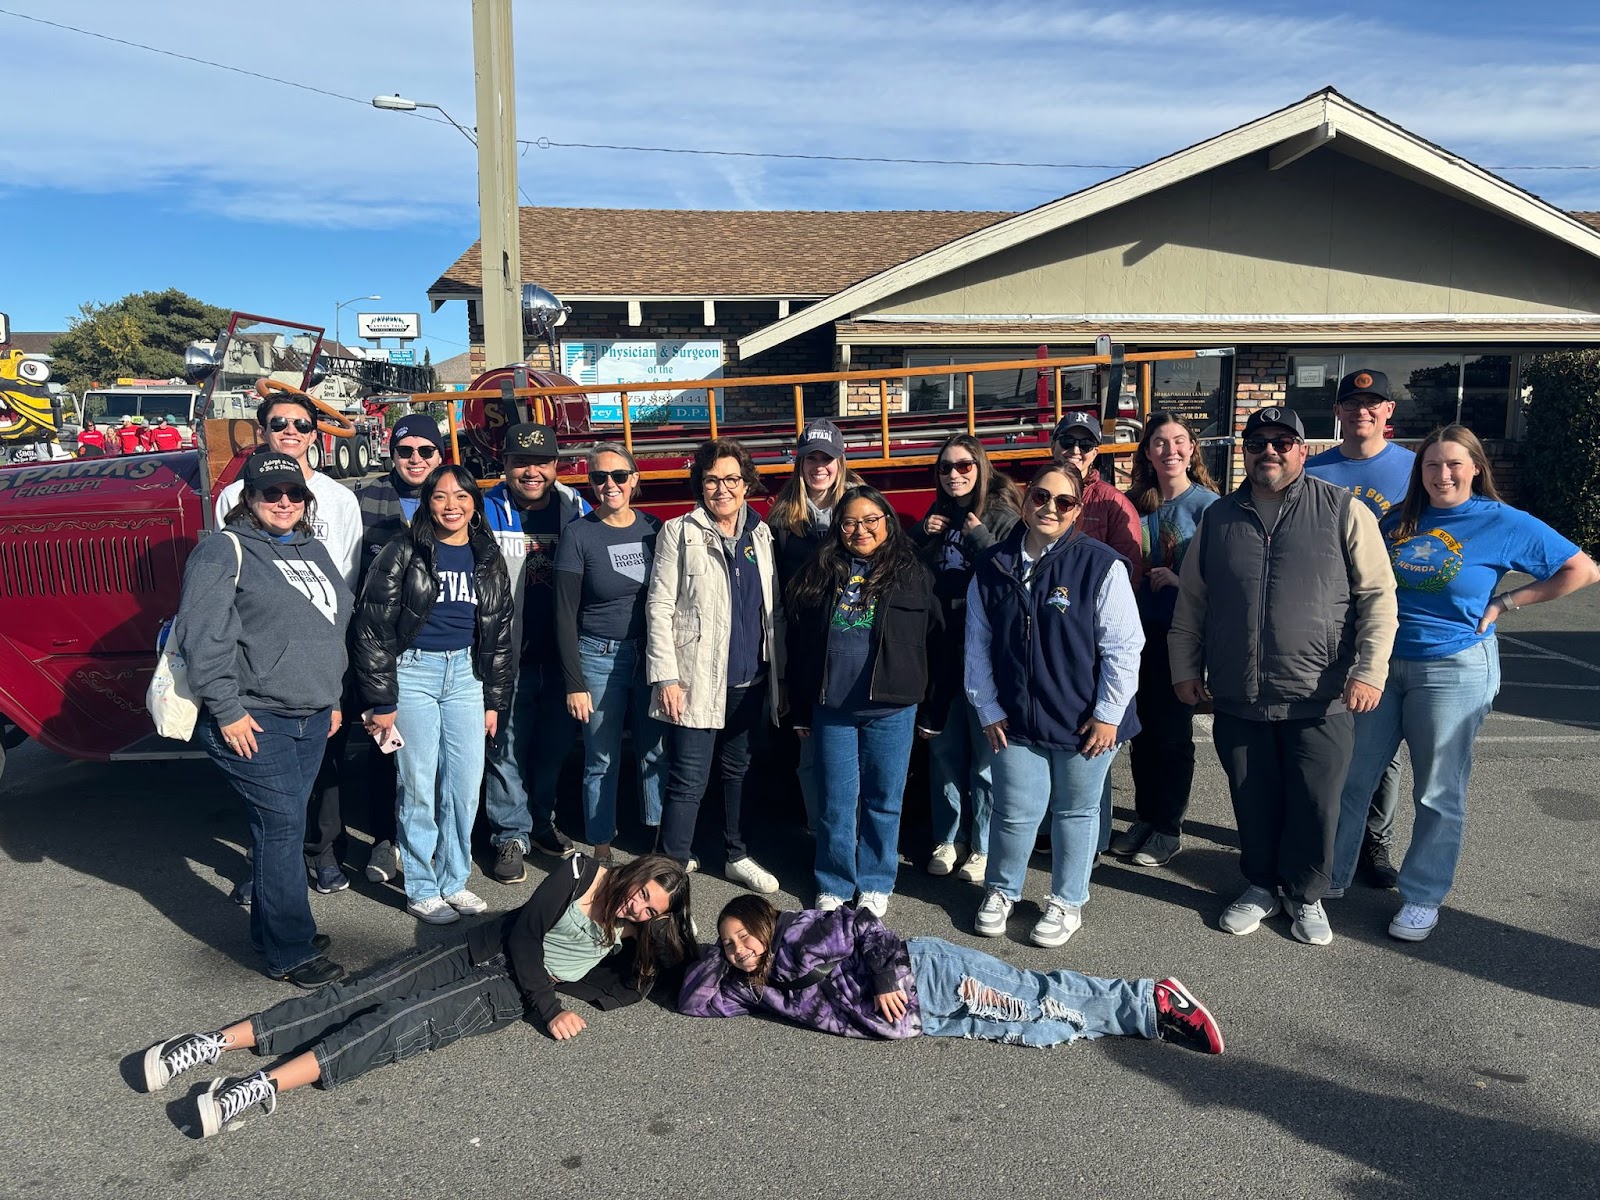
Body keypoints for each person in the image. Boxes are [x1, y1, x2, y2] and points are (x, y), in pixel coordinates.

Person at [138, 854, 694, 1138]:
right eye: (642, 894)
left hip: (505, 990)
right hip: (485, 947)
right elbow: (525, 934)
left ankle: (255, 1087)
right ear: (636, 873)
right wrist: (551, 1010)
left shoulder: (642, 931)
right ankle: (208, 1044)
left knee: (396, 1023)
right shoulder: (581, 872)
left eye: (652, 910)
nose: (639, 909)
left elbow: (684, 963)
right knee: (361, 990)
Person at [1329, 426, 1598, 941]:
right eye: (1432, 465)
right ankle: (1333, 876)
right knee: (1352, 778)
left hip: (1452, 668)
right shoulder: (1397, 520)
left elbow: (1581, 570)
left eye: (1454, 463)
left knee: (1437, 790)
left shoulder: (1502, 521)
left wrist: (1507, 603)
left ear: (1476, 467)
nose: (1442, 474)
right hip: (1382, 667)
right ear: (1420, 472)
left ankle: (1422, 897)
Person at [1169, 406, 1396, 947]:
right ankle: (1260, 886)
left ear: (1302, 449)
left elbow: (1377, 597)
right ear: (1244, 451)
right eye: (1257, 442)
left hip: (1320, 694)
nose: (1268, 450)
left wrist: (1369, 671)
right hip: (1239, 694)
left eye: (1282, 441)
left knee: (1315, 802)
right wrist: (1184, 668)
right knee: (1252, 796)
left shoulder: (1343, 511)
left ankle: (1306, 894)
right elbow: (1192, 604)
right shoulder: (1219, 518)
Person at [172, 452, 354, 988]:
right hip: (254, 716)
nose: (282, 502)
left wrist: (333, 697)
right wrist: (227, 711)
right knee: (281, 827)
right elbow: (201, 636)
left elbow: (328, 631)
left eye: (293, 494)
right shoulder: (222, 551)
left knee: (282, 825)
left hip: (312, 715)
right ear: (248, 497)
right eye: (270, 492)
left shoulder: (313, 548)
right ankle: (291, 949)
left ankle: (270, 929)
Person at [680, 895, 1224, 1055]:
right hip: (926, 1019)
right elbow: (691, 1001)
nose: (740, 949)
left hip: (927, 976)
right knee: (1038, 1029)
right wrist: (710, 951)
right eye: (729, 945)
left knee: (1035, 997)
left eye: (745, 935)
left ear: (765, 923)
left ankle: (1150, 1000)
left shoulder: (800, 933)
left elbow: (868, 926)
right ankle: (1144, 1022)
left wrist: (889, 980)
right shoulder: (751, 988)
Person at [967, 463, 1143, 948]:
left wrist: (1108, 714)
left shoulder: (1100, 564)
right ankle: (1002, 891)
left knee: (1076, 812)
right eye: (1040, 497)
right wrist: (987, 707)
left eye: (1063, 502)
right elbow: (977, 643)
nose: (1049, 508)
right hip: (1016, 718)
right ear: (1025, 501)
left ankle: (1068, 901)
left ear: (1077, 511)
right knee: (1014, 811)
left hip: (1086, 721)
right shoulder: (994, 563)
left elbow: (1125, 648)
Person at [217, 387, 363, 896]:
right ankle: (268, 866)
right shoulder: (234, 497)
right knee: (266, 776)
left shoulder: (341, 500)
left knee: (323, 762)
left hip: (319, 655)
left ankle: (321, 851)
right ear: (262, 431)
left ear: (315, 435)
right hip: (261, 663)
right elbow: (229, 583)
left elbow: (346, 575)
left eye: (302, 426)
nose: (290, 433)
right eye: (280, 424)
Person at [354, 465, 515, 924]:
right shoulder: (403, 550)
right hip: (416, 674)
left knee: (464, 787)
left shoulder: (487, 554)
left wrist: (493, 701)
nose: (451, 505)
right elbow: (373, 628)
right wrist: (382, 702)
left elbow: (500, 631)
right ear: (427, 502)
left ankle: (454, 881)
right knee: (419, 786)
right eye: (441, 496)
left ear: (473, 504)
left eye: (461, 496)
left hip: (467, 676)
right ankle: (423, 887)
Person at [786, 485, 944, 917]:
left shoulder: (914, 572)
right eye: (850, 522)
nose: (861, 530)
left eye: (870, 520)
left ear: (888, 522)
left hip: (892, 708)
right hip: (832, 707)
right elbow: (800, 644)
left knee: (883, 800)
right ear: (839, 527)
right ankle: (834, 881)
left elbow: (936, 642)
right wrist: (799, 706)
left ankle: (876, 882)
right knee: (836, 801)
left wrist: (932, 708)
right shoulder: (819, 570)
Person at [647, 437, 784, 893]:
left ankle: (736, 855)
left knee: (738, 772)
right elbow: (660, 606)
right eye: (711, 480)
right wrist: (666, 675)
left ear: (746, 484)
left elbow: (772, 609)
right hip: (695, 679)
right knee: (688, 778)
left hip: (750, 678)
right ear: (699, 486)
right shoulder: (678, 532)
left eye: (730, 479)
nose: (721, 489)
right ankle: (669, 865)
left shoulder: (760, 534)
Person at [1304, 369, 1416, 891]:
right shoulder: (1316, 468)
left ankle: (1376, 840)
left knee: (1381, 748)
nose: (1362, 412)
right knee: (1325, 736)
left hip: (1385, 623)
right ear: (1339, 411)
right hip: (1322, 626)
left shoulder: (1414, 470)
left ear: (1388, 411)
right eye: (1352, 403)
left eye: (1373, 404)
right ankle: (1321, 833)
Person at [482, 422, 593, 884]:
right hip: (510, 656)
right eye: (520, 462)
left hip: (563, 656)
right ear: (504, 465)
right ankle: (510, 833)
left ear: (555, 465)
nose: (532, 472)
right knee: (506, 746)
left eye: (541, 462)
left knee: (553, 748)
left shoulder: (576, 507)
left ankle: (541, 821)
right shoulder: (483, 510)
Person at [1110, 413, 1219, 868]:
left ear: (1192, 449)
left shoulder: (1210, 506)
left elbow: (1228, 579)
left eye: (1179, 441)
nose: (1170, 450)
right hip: (1135, 636)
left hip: (1182, 636)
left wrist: (1181, 580)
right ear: (1147, 453)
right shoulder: (1134, 504)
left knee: (1173, 737)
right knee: (1140, 732)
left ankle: (1168, 827)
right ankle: (1145, 816)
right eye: (1159, 442)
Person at [912, 432, 1022, 883]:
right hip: (941, 648)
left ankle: (982, 846)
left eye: (963, 466)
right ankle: (948, 838)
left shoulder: (1002, 514)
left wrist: (977, 536)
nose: (954, 474)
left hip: (985, 650)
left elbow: (1010, 575)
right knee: (943, 750)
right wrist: (922, 534)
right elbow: (911, 571)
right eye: (945, 467)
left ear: (980, 467)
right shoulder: (939, 514)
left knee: (984, 756)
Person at [555, 442, 668, 863]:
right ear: (591, 484)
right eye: (599, 477)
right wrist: (575, 682)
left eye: (619, 476)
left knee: (656, 752)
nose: (610, 485)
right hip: (599, 657)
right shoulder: (579, 534)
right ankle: (602, 851)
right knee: (601, 759)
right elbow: (565, 614)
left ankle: (659, 847)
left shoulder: (654, 530)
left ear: (634, 479)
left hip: (650, 658)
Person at [348, 411, 446, 884]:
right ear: (392, 452)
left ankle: (435, 840)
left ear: (439, 455)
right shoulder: (363, 497)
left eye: (426, 451)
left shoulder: (453, 497)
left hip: (439, 649)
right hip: (382, 648)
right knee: (383, 748)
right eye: (405, 451)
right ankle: (386, 840)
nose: (415, 459)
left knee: (437, 754)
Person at [763, 419, 863, 829]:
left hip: (852, 642)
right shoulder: (783, 519)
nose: (819, 466)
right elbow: (776, 596)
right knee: (808, 754)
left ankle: (851, 834)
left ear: (840, 461)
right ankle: (822, 832)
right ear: (799, 463)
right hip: (805, 650)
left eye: (827, 458)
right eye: (811, 458)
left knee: (853, 755)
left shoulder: (859, 507)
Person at [1051, 411, 1143, 583]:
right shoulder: (1035, 496)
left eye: (1086, 444)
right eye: (1067, 441)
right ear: (1052, 446)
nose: (1075, 450)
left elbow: (1130, 571)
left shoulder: (1115, 503)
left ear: (1095, 453)